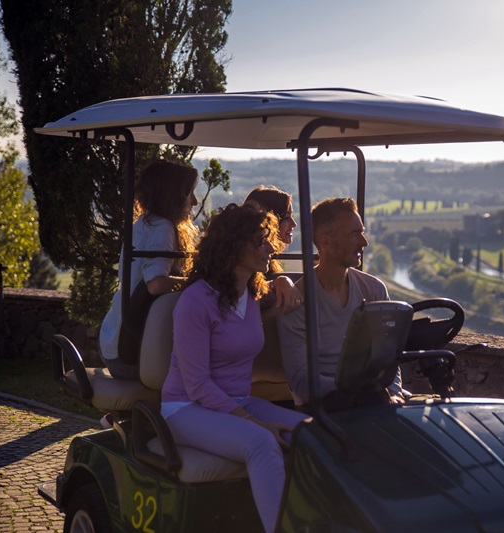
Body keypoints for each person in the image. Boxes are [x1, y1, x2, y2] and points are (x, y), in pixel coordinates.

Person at [161, 203, 309, 533]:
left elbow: (276, 290)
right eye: (260, 240)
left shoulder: (253, 293)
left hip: (237, 402)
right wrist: (255, 422)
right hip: (187, 408)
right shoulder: (196, 301)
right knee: (261, 443)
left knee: (312, 433)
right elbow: (197, 384)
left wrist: (284, 279)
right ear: (233, 246)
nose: (270, 247)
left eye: (268, 238)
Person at [277, 197, 406, 408]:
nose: (364, 242)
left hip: (375, 396)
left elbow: (388, 357)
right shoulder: (297, 301)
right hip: (328, 404)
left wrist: (394, 392)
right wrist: (360, 389)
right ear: (326, 241)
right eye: (354, 234)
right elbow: (301, 381)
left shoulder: (374, 289)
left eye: (362, 232)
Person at [99, 159, 199, 381]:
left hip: (115, 338)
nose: (194, 201)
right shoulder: (162, 227)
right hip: (130, 350)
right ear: (173, 195)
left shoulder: (145, 223)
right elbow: (155, 284)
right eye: (189, 194)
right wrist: (196, 283)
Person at [244, 185, 303, 314]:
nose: (294, 224)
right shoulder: (252, 266)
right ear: (271, 222)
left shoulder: (269, 262)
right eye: (287, 218)